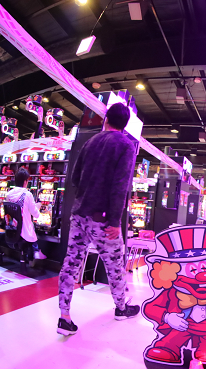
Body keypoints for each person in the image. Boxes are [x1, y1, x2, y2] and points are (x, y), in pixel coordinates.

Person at [57, 103, 140, 336]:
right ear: (125, 125)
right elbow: (120, 185)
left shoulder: (90, 142)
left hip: (79, 214)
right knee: (114, 264)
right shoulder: (126, 145)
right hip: (102, 219)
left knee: (71, 263)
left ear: (106, 119)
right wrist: (114, 221)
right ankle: (121, 308)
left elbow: (74, 178)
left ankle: (64, 316)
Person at [5, 168, 47, 262]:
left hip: (12, 229)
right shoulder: (27, 194)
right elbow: (36, 214)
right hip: (23, 232)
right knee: (32, 225)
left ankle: (33, 252)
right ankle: (35, 251)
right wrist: (38, 206)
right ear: (25, 181)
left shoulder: (8, 194)